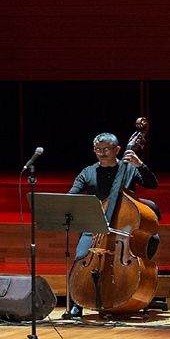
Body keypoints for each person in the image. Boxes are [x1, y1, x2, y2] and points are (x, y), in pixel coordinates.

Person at [63, 132, 159, 319]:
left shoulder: (130, 169)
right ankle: (77, 303)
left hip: (123, 228)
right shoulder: (88, 172)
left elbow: (152, 184)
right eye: (98, 149)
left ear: (117, 149)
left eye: (106, 149)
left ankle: (124, 294)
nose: (102, 153)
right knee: (81, 256)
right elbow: (72, 196)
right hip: (95, 227)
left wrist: (140, 165)